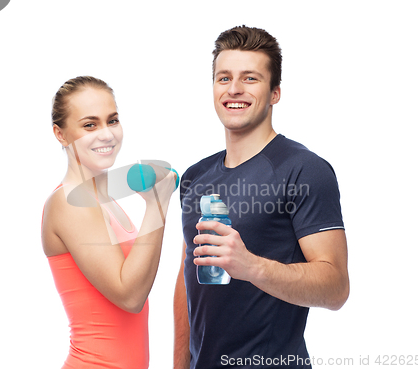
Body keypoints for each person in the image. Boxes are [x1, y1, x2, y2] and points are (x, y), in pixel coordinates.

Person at [174, 26, 349, 369]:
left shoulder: (304, 170)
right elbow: (187, 280)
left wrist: (251, 266)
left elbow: (336, 287)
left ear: (275, 93)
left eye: (250, 78)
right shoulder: (194, 176)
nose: (234, 89)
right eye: (223, 78)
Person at [41, 76, 176, 369]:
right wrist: (157, 204)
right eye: (90, 125)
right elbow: (130, 296)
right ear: (60, 134)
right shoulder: (68, 203)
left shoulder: (106, 202)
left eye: (112, 121)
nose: (106, 134)